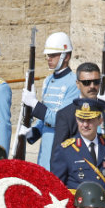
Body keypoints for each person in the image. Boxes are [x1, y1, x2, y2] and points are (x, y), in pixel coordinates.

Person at [51, 99, 105, 198]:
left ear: (100, 120)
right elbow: (56, 186)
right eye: (81, 120)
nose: (85, 125)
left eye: (90, 120)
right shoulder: (66, 150)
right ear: (76, 120)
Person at [27, 32, 78, 168]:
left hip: (61, 141)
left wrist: (35, 105)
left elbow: (61, 119)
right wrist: (30, 132)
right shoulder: (48, 80)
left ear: (66, 56)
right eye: (48, 55)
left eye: (53, 55)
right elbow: (44, 120)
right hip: (46, 143)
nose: (49, 58)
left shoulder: (74, 82)